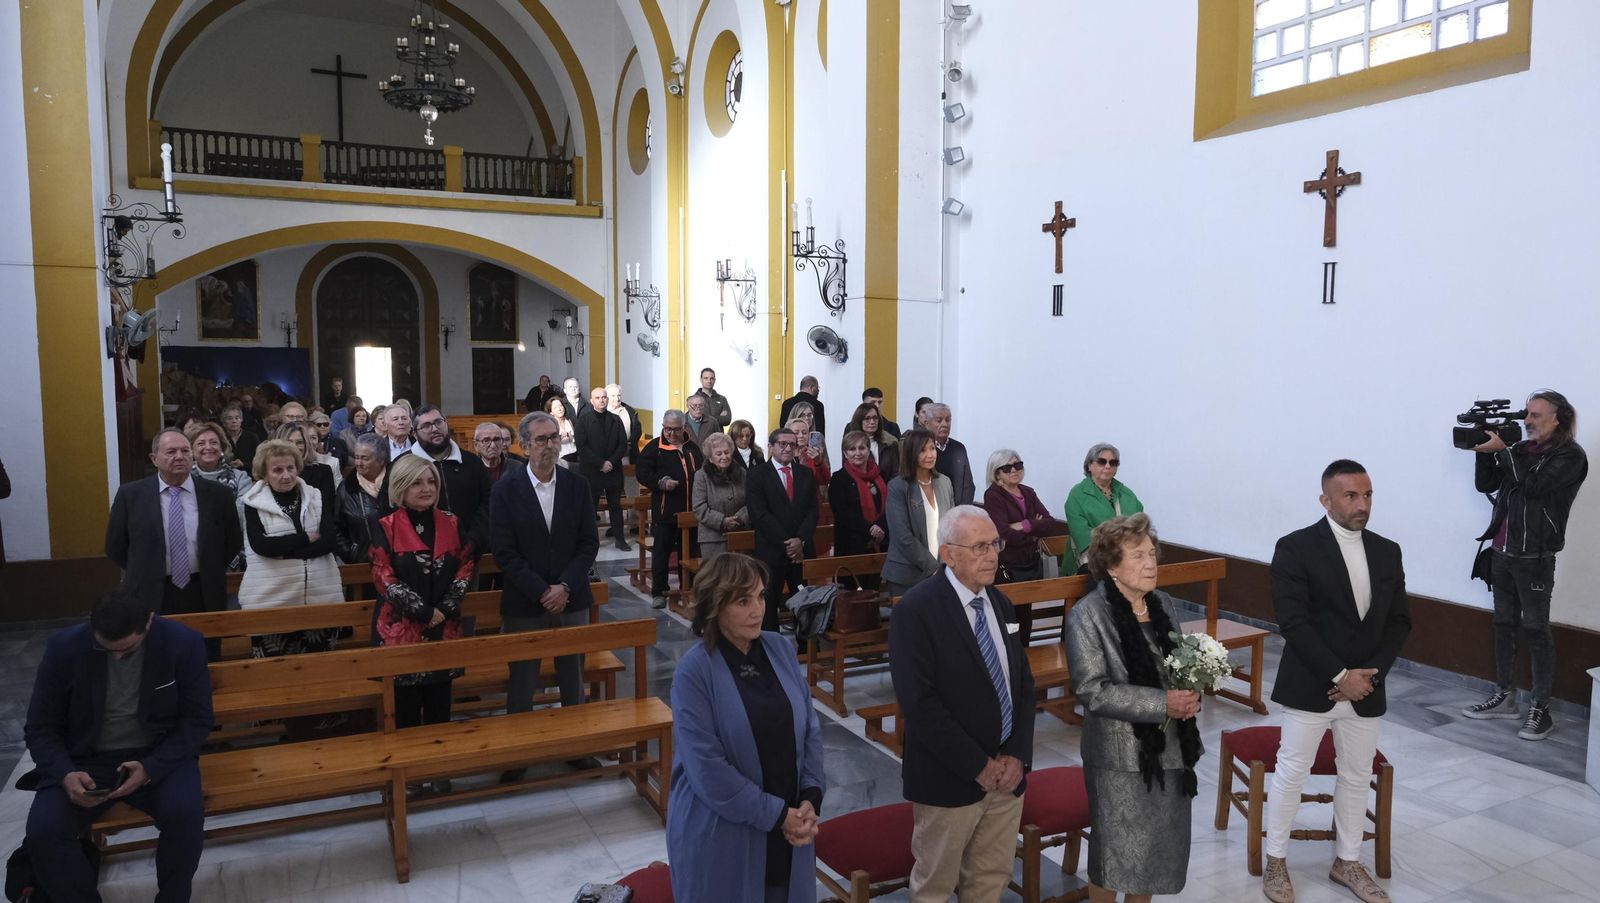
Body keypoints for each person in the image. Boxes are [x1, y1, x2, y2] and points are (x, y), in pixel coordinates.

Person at [1262, 460, 1411, 903]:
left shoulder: (1387, 550)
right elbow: (1294, 622)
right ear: (1325, 500)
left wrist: (1367, 676)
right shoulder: (1295, 548)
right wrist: (1340, 675)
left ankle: (1347, 861)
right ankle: (1276, 860)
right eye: (1351, 496)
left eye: (1367, 495)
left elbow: (1399, 622)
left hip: (1367, 684)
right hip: (1313, 682)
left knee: (1356, 774)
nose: (1362, 504)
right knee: (1292, 771)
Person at [23, 587, 212, 903]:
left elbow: (198, 721)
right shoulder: (64, 648)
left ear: (149, 623)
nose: (118, 656)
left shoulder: (182, 643)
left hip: (157, 754)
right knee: (44, 831)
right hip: (86, 759)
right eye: (106, 648)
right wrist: (65, 773)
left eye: (127, 649)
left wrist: (152, 767)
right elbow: (41, 727)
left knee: (185, 816)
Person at [889, 506, 1036, 903]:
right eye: (979, 547)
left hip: (1007, 775)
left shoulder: (1001, 604)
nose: (992, 555)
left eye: (994, 544)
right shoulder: (916, 612)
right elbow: (921, 705)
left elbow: (1023, 684)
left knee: (990, 880)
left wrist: (1017, 756)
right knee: (935, 886)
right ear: (948, 554)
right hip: (949, 778)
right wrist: (978, 766)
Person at [666, 553, 824, 903]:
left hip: (790, 822)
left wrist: (811, 796)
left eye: (761, 596)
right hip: (722, 833)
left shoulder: (780, 648)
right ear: (715, 606)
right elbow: (707, 769)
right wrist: (778, 815)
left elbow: (809, 727)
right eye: (743, 601)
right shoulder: (694, 672)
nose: (758, 609)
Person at [1065, 513, 1203, 902]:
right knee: (1115, 856)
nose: (1150, 563)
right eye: (1138, 556)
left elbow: (1176, 664)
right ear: (1111, 566)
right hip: (1119, 757)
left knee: (1155, 854)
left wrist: (1192, 689)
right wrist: (1163, 703)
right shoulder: (1087, 615)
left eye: (1152, 554)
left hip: (1171, 748)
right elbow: (1093, 691)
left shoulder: (1163, 602)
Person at [1462, 390, 1587, 739]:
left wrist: (1503, 451)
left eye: (1535, 415)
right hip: (1502, 551)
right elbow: (1485, 484)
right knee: (1503, 624)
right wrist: (1483, 453)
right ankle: (1505, 696)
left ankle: (1540, 707)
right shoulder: (1520, 451)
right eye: (1526, 414)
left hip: (1535, 556)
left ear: (1557, 417)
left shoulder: (1570, 456)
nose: (1527, 421)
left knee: (1536, 629)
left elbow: (1533, 487)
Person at [491, 412, 601, 779]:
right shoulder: (506, 489)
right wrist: (542, 590)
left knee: (573, 676)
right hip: (525, 600)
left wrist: (565, 586)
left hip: (572, 596)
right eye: (541, 439)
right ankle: (518, 754)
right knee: (522, 678)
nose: (550, 444)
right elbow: (504, 552)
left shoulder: (576, 485)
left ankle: (576, 747)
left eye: (554, 437)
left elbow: (588, 543)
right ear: (524, 445)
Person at [369, 455, 474, 738]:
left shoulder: (452, 522)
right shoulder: (386, 525)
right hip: (400, 630)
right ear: (400, 487)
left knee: (440, 707)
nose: (426, 488)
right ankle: (411, 777)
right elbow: (384, 578)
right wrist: (426, 613)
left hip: (445, 627)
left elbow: (465, 567)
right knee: (406, 712)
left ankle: (439, 772)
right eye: (416, 482)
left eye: (431, 481)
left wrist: (443, 609)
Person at [105, 429, 242, 617]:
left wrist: (211, 566)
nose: (179, 457)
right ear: (154, 458)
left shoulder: (218, 495)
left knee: (204, 645)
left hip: (203, 591)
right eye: (171, 452)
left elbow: (233, 541)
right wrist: (144, 568)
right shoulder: (131, 496)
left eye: (185, 451)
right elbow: (115, 546)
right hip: (149, 592)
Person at [236, 439, 343, 657]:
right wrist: (305, 538)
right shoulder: (252, 502)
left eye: (290, 468)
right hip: (271, 601)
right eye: (277, 470)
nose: (286, 475)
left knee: (321, 671)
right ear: (264, 473)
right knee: (274, 676)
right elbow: (262, 546)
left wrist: (284, 553)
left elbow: (329, 541)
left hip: (319, 598)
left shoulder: (315, 496)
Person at [983, 449, 1067, 644]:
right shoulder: (993, 495)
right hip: (1008, 568)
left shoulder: (1028, 492)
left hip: (1030, 565)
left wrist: (1025, 525)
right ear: (997, 473)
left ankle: (1025, 654)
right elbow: (1003, 533)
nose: (1014, 470)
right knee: (1010, 616)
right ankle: (1011, 652)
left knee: (1025, 615)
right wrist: (1032, 533)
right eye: (1007, 467)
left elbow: (1049, 523)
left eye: (1018, 465)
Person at [746, 428, 820, 630]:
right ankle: (772, 647)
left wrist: (801, 540)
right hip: (772, 550)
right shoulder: (757, 475)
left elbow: (813, 509)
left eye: (792, 444)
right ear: (771, 447)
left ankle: (806, 646)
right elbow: (759, 514)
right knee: (769, 601)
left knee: (804, 599)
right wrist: (788, 543)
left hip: (801, 550)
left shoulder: (805, 473)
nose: (788, 448)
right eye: (783, 444)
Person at [637, 410, 706, 609]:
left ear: (684, 428)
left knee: (691, 551)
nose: (671, 434)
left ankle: (689, 588)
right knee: (662, 552)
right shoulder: (654, 448)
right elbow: (643, 473)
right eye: (667, 429)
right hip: (666, 510)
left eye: (676, 429)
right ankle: (659, 591)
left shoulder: (692, 448)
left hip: (691, 511)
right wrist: (660, 482)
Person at [406, 406, 495, 557]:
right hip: (420, 557)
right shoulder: (403, 465)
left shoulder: (471, 462)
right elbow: (393, 510)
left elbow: (488, 502)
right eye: (426, 426)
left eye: (438, 422)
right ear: (415, 433)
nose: (435, 429)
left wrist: (473, 541)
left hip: (469, 551)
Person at [880, 429, 954, 597]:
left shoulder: (944, 482)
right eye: (923, 450)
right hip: (907, 575)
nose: (930, 454)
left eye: (932, 448)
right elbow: (902, 536)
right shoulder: (898, 486)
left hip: (942, 570)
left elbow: (951, 527)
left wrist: (945, 566)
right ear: (911, 453)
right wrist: (934, 568)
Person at [1064, 443, 1144, 574]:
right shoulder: (1077, 494)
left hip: (1127, 558)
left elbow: (1140, 525)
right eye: (1101, 461)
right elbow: (1083, 536)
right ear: (1089, 465)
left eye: (1113, 462)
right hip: (1093, 562)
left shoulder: (1126, 493)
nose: (1107, 466)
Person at [576, 386, 631, 551]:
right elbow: (582, 447)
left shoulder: (615, 419)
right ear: (592, 400)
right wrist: (600, 463)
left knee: (615, 505)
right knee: (591, 508)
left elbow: (622, 444)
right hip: (592, 470)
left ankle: (620, 539)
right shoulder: (583, 420)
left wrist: (611, 462)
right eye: (598, 398)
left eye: (604, 397)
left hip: (613, 469)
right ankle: (592, 541)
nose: (602, 400)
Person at [829, 430, 888, 562]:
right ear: (845, 453)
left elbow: (889, 506)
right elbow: (842, 513)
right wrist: (871, 529)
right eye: (852, 449)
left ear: (868, 450)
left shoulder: (880, 475)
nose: (858, 453)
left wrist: (881, 527)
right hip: (851, 546)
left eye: (862, 448)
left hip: (881, 542)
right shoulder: (839, 478)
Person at [335, 433, 391, 564]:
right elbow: (337, 528)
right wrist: (351, 554)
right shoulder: (346, 488)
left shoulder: (396, 483)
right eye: (356, 457)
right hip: (363, 563)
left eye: (365, 458)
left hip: (399, 564)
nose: (358, 463)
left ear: (381, 459)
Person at [692, 432, 748, 559]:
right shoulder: (701, 476)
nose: (724, 457)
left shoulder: (743, 473)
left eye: (727, 452)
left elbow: (752, 501)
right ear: (710, 458)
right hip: (712, 538)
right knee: (717, 577)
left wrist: (740, 518)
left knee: (742, 576)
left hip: (741, 535)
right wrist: (723, 521)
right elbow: (699, 508)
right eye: (718, 454)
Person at [921, 403, 974, 506]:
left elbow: (968, 485)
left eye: (948, 420)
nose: (945, 424)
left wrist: (961, 510)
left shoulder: (959, 448)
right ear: (927, 423)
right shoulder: (921, 449)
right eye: (939, 420)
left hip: (958, 511)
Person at [185, 421, 251, 497]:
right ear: (192, 450)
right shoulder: (184, 478)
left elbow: (243, 508)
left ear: (222, 447)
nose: (208, 447)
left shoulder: (240, 478)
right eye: (201, 443)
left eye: (213, 442)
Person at [276, 421, 339, 493]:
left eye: (300, 442)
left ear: (306, 444)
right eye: (289, 442)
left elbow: (327, 503)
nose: (294, 447)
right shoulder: (271, 471)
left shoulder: (323, 471)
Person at [787, 407, 831, 506]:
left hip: (811, 504)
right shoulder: (783, 455)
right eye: (796, 432)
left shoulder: (812, 454)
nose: (801, 436)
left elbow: (825, 480)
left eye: (804, 432)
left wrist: (818, 462)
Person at [848, 401, 899, 480]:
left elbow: (896, 474)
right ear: (859, 421)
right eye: (867, 418)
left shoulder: (890, 443)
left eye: (875, 418)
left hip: (887, 489)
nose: (872, 422)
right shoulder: (850, 444)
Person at [606, 383, 643, 465]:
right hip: (608, 455)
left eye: (619, 395)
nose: (617, 398)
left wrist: (629, 445)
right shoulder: (602, 412)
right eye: (613, 396)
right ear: (607, 397)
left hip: (627, 454)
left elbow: (637, 430)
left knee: (626, 475)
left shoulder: (630, 411)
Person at [220, 403, 259, 471]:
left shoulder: (252, 437)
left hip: (249, 475)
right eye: (230, 418)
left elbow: (260, 460)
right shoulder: (220, 438)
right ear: (224, 422)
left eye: (237, 418)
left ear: (241, 420)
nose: (234, 421)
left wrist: (244, 464)